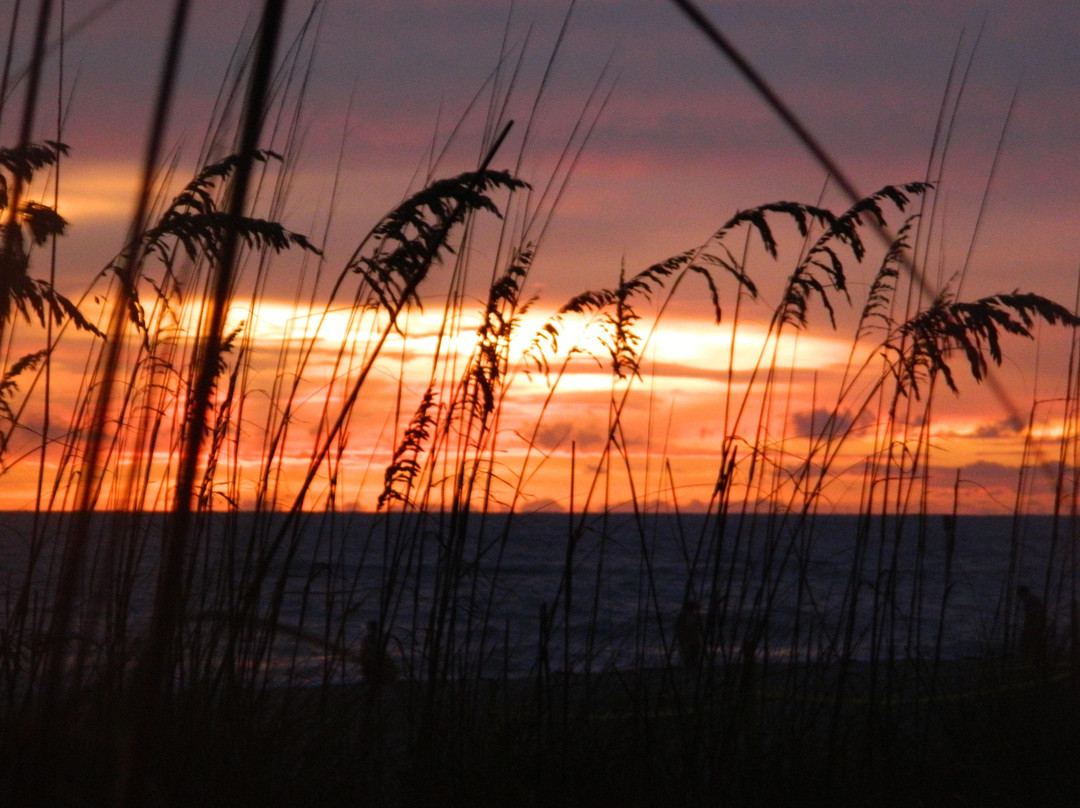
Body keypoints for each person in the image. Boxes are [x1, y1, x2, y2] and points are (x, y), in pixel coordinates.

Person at [1016, 585, 1047, 670]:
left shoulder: (1030, 601)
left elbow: (1032, 616)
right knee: (1032, 646)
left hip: (1034, 628)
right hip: (1037, 627)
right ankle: (1032, 665)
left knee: (1027, 646)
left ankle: (1028, 665)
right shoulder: (1033, 600)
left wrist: (1028, 627)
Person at [360, 619, 398, 686]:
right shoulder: (375, 637)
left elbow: (365, 649)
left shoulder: (374, 638)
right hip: (372, 658)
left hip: (374, 658)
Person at [674, 598, 703, 672]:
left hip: (692, 641)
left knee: (691, 658)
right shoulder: (687, 618)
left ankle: (690, 671)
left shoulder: (689, 617)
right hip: (688, 642)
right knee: (689, 658)